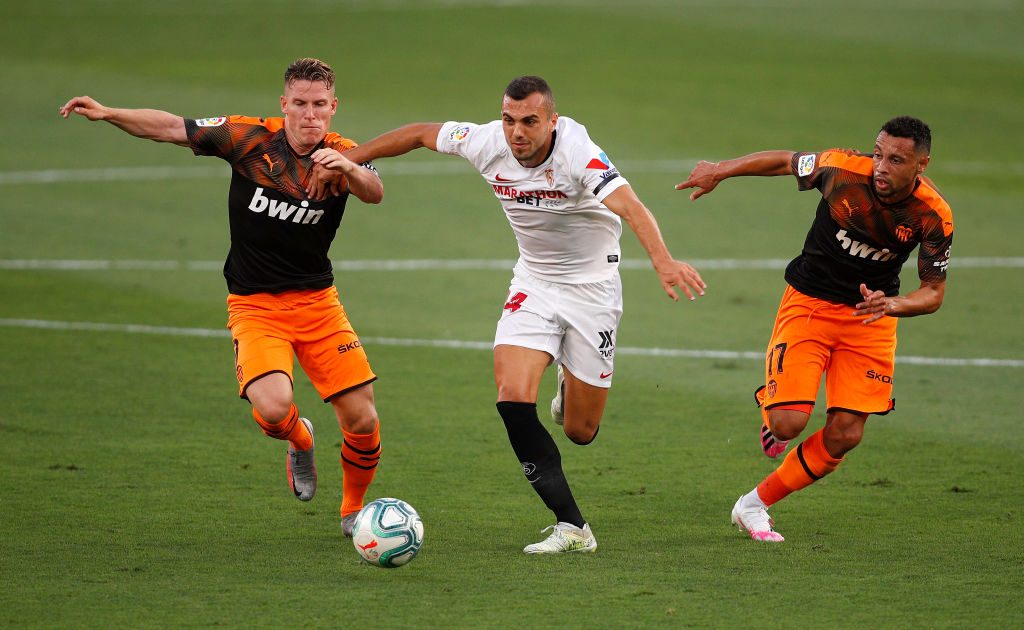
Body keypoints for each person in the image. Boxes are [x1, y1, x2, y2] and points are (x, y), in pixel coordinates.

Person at [314, 75, 706, 554]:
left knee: (581, 431)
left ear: (552, 121)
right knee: (512, 399)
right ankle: (573, 528)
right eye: (508, 119)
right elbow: (419, 133)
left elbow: (633, 208)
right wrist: (348, 159)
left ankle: (567, 382)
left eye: (529, 121)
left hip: (593, 292)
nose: (517, 131)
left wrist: (663, 261)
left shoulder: (579, 153)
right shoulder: (486, 142)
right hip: (534, 284)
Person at [59, 58, 386, 537]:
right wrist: (109, 112)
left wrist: (349, 169)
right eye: (300, 103)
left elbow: (374, 191)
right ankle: (300, 439)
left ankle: (352, 511)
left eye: (319, 105)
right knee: (273, 411)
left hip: (318, 304)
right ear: (284, 104)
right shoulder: (248, 138)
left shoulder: (344, 153)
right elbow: (172, 127)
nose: (310, 114)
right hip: (255, 306)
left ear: (333, 107)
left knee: (362, 417)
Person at [677, 116, 953, 542]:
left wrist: (892, 304)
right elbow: (784, 161)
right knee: (787, 423)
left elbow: (933, 293)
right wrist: (720, 170)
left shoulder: (932, 215)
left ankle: (753, 504)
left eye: (896, 160)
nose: (881, 167)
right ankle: (775, 407)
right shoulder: (840, 169)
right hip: (809, 305)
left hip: (870, 318)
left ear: (922, 164)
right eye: (878, 154)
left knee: (846, 434)